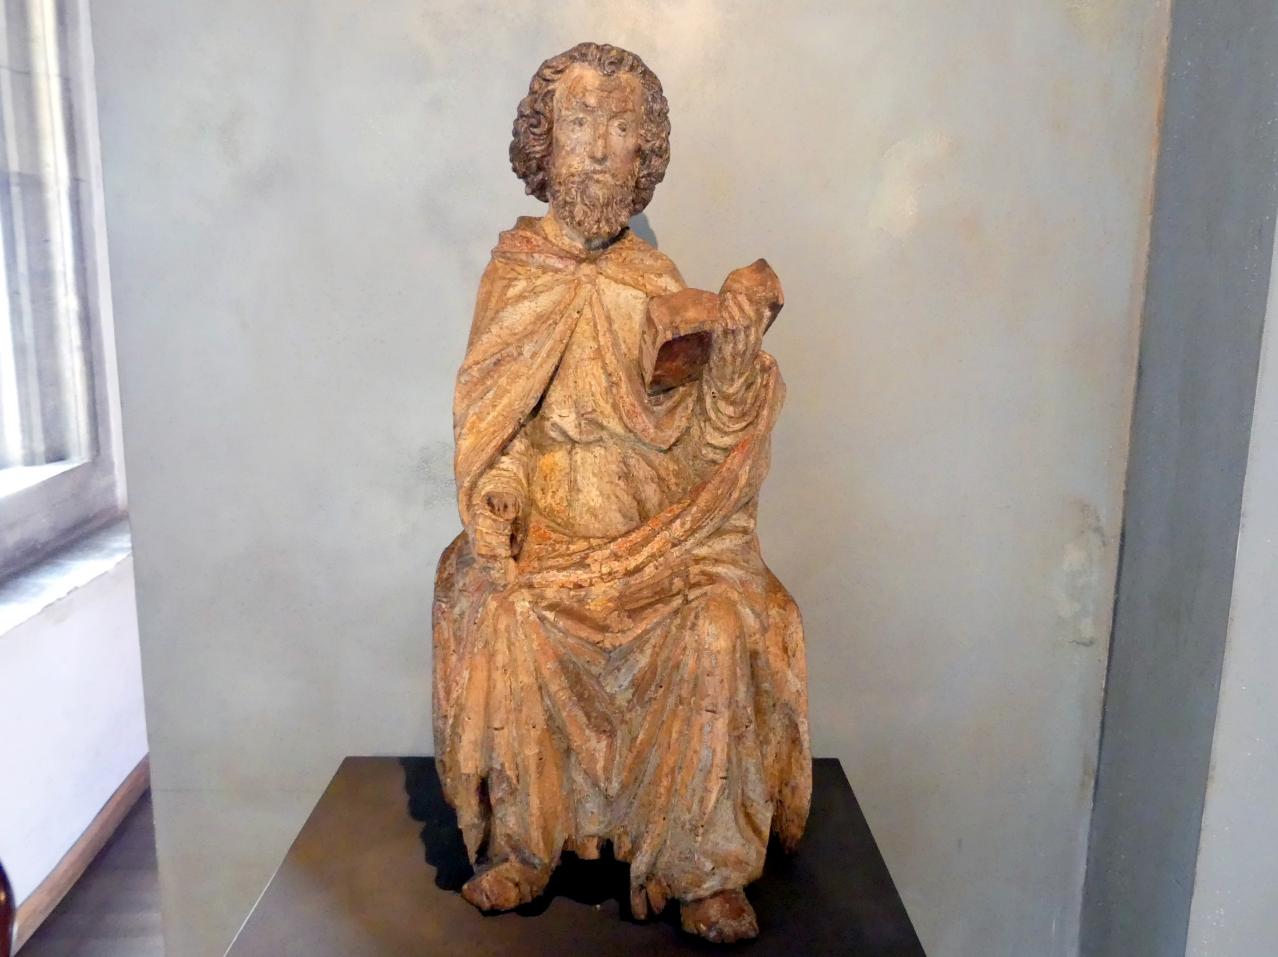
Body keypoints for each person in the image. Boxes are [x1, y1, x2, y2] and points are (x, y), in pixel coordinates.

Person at [432, 41, 810, 943]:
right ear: (543, 143)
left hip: (662, 541)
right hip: (552, 538)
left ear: (647, 153)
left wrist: (734, 360)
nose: (600, 148)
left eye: (621, 127)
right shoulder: (517, 276)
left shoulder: (654, 284)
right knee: (505, 614)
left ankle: (705, 867)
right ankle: (524, 844)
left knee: (719, 626)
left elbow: (701, 452)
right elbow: (497, 429)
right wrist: (500, 496)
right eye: (580, 122)